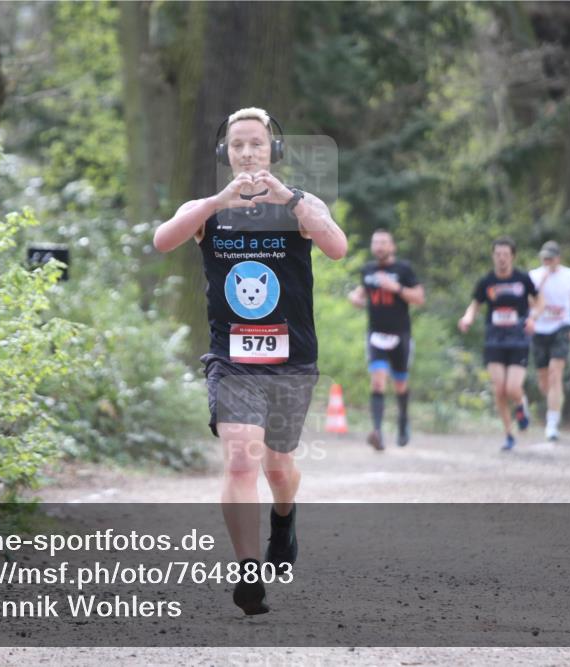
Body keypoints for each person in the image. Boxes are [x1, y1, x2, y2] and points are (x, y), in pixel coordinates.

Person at [153, 107, 347, 615]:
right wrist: (219, 200)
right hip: (232, 358)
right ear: (226, 153)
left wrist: (290, 198)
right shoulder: (208, 208)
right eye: (237, 145)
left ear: (273, 151)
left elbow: (337, 247)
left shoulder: (300, 205)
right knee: (241, 456)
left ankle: (283, 522)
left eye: (256, 144)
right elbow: (162, 239)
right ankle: (247, 570)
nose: (247, 153)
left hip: (291, 359)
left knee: (279, 465)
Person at [458, 236, 540, 451]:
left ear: (512, 256)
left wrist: (533, 318)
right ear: (493, 256)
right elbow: (475, 305)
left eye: (505, 255)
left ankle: (521, 406)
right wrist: (467, 318)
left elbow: (539, 301)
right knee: (499, 389)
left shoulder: (522, 279)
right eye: (498, 255)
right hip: (494, 339)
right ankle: (508, 434)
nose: (501, 259)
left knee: (513, 387)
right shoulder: (487, 282)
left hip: (518, 338)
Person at [347, 229, 425, 450]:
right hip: (375, 335)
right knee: (378, 381)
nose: (379, 246)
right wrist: (355, 298)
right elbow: (361, 294)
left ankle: (402, 423)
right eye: (376, 242)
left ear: (392, 247)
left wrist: (397, 288)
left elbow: (419, 298)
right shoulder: (367, 270)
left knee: (400, 384)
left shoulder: (404, 269)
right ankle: (378, 432)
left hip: (401, 335)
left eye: (383, 242)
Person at [528, 241, 570, 442]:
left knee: (555, 374)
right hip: (540, 329)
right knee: (544, 381)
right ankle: (554, 402)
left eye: (551, 258)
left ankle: (552, 423)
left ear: (558, 258)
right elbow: (531, 302)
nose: (547, 262)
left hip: (561, 326)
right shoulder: (534, 276)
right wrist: (541, 281)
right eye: (544, 258)